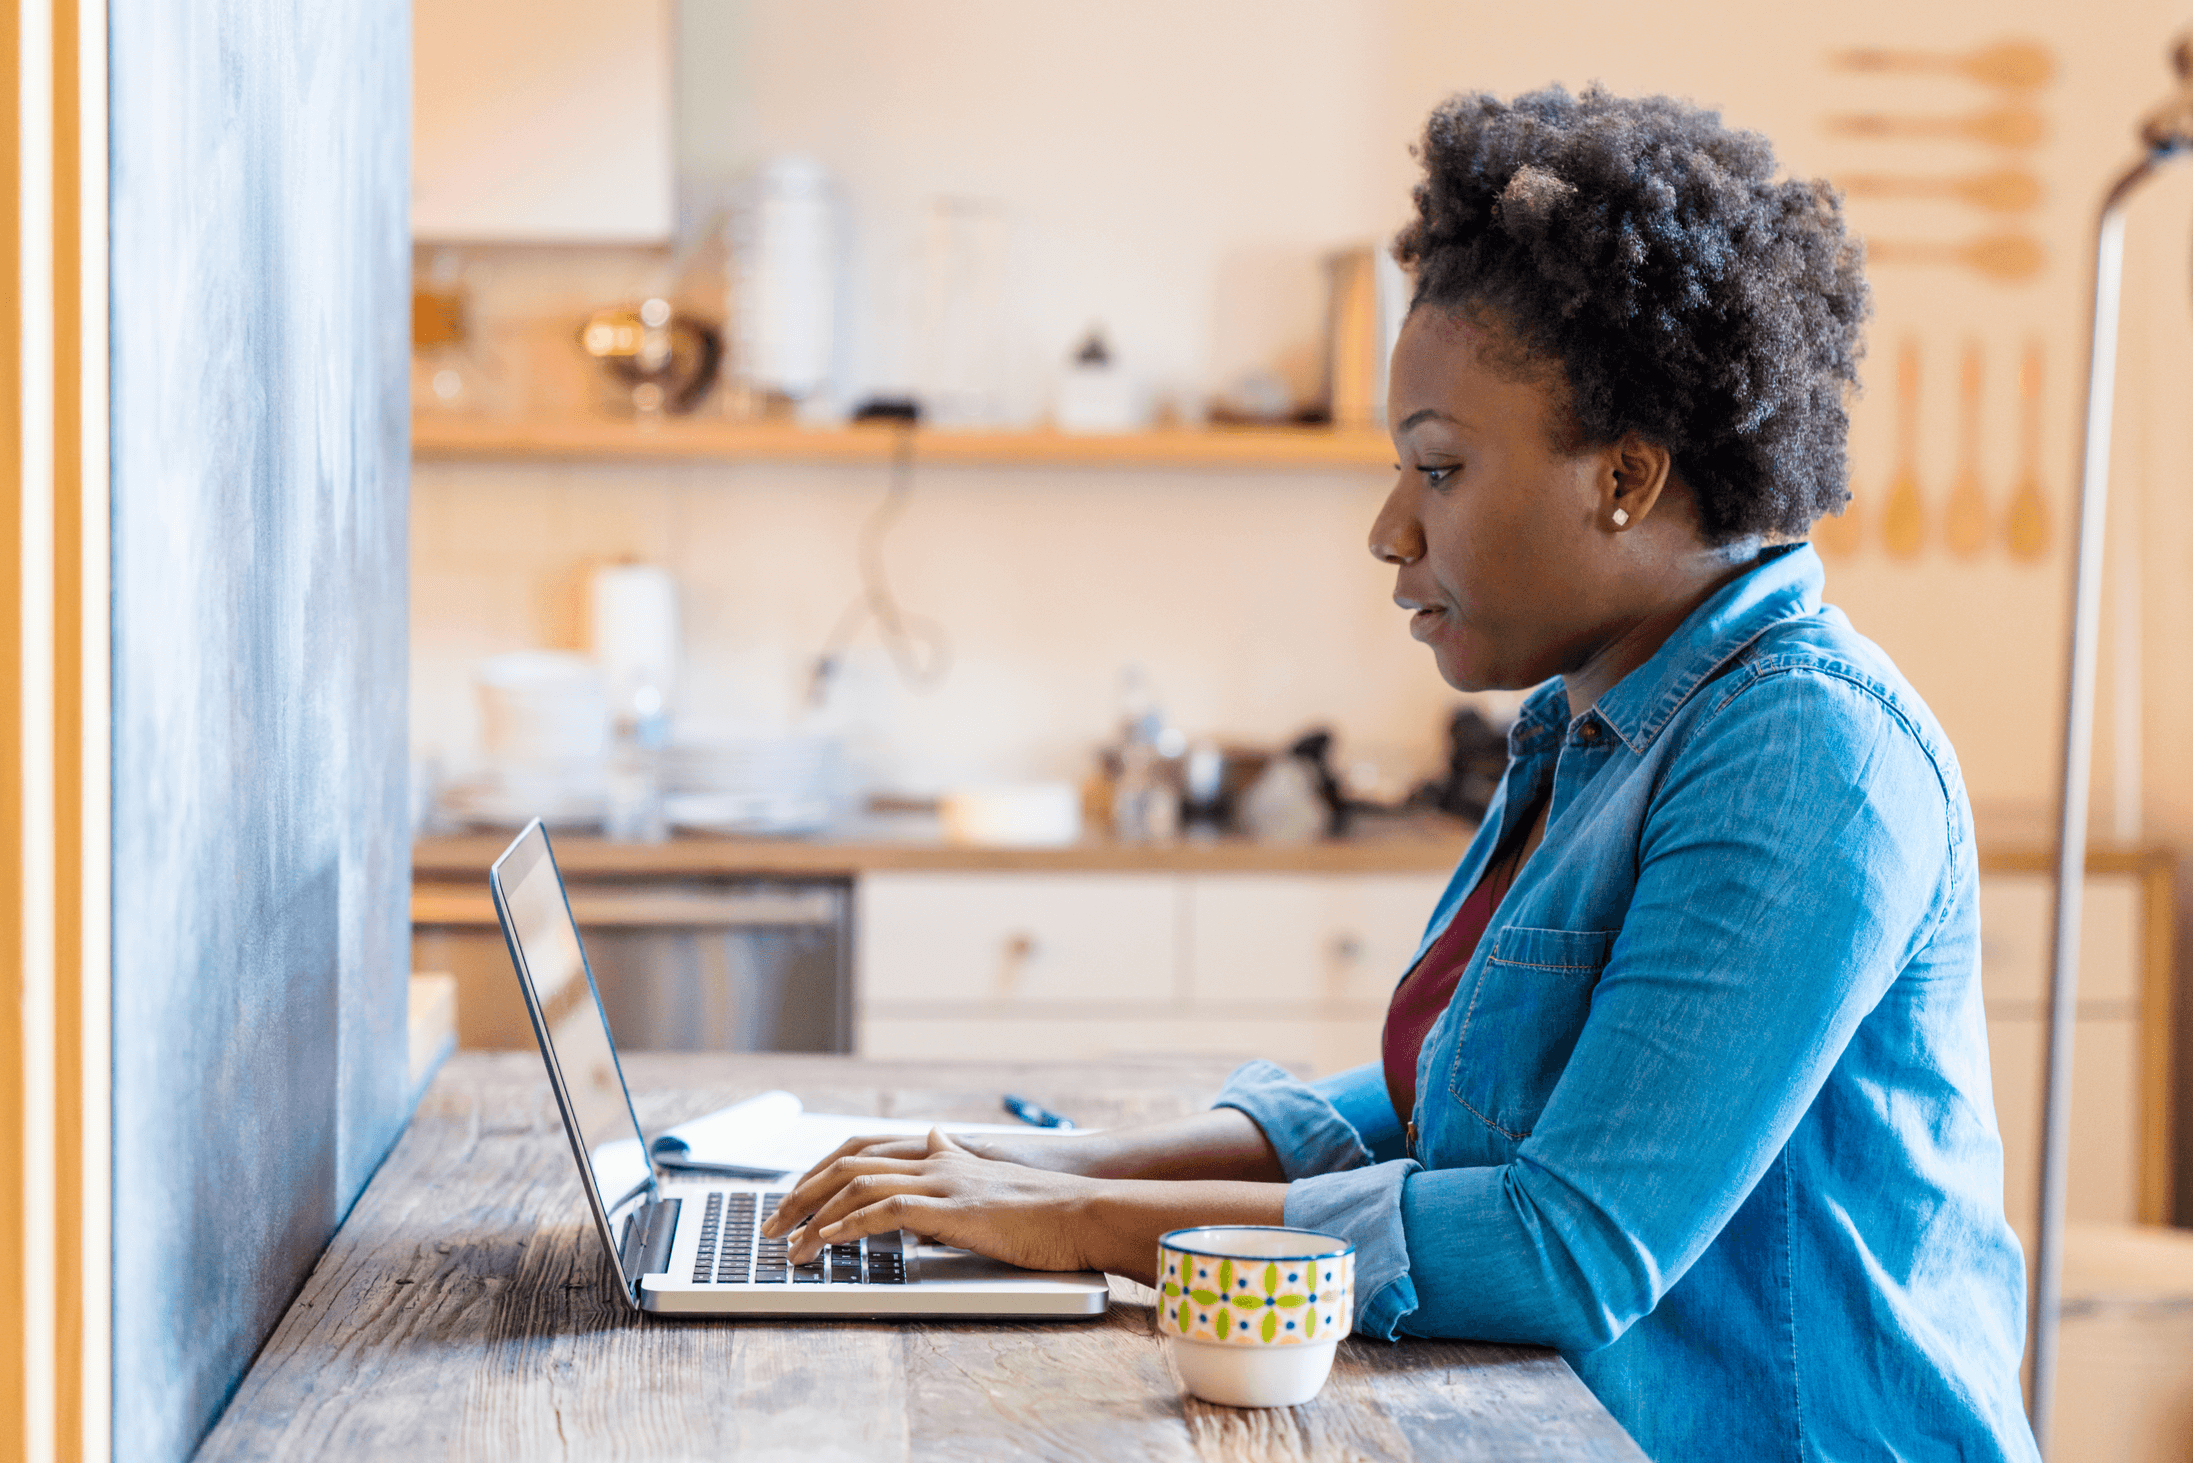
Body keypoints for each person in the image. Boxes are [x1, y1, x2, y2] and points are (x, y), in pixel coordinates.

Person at [760, 85, 2035, 1461]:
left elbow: (1563, 1242)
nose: (1388, 529)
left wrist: (1075, 1224)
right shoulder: (1598, 721)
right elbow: (1439, 1106)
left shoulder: (1804, 754)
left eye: (1438, 468)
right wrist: (1035, 1165)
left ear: (1626, 478)